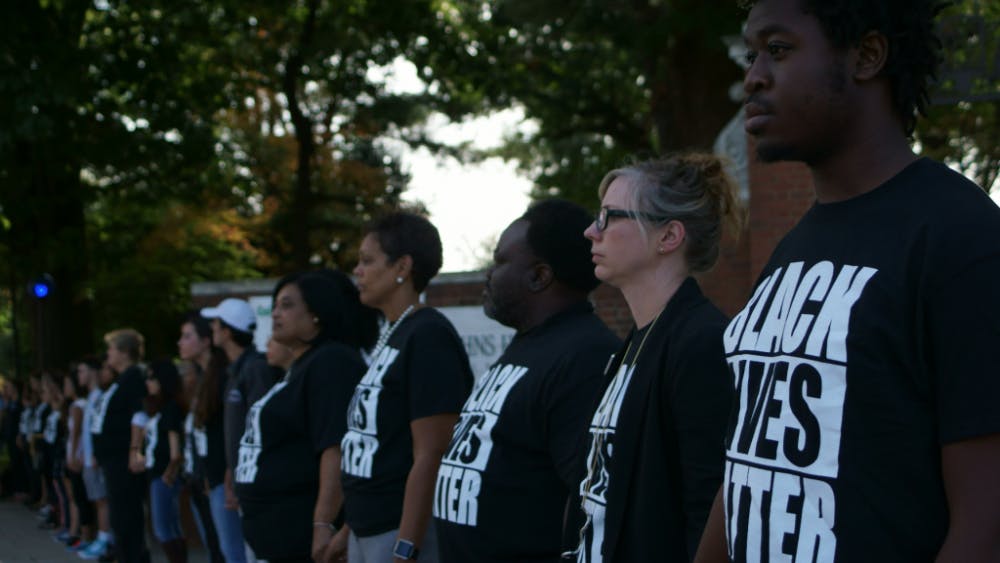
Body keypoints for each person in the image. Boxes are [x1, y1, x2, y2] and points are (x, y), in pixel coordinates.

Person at [695, 1, 1000, 561]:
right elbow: (750, 463)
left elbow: (987, 520)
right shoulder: (793, 248)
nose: (753, 77)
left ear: (867, 56)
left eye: (778, 50)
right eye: (751, 54)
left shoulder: (962, 237)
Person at [567, 154, 741, 563]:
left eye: (610, 216)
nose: (592, 231)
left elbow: (711, 508)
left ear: (668, 237)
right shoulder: (636, 343)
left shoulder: (701, 343)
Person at [433, 200, 621, 562]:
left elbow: (589, 499)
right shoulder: (530, 344)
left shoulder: (586, 356)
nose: (489, 273)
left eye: (501, 261)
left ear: (539, 276)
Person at [342, 212, 474, 563]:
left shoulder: (428, 335)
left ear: (402, 266)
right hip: (365, 528)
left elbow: (432, 452)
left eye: (367, 261)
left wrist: (406, 544)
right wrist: (346, 528)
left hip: (397, 531)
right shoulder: (394, 333)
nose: (358, 271)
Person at [235, 270, 377, 562]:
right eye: (274, 306)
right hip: (276, 541)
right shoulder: (302, 365)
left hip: (305, 543)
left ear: (316, 314)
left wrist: (322, 525)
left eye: (287, 305)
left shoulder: (332, 361)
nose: (275, 314)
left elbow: (335, 447)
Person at [200, 296, 272, 562]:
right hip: (241, 478)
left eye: (216, 324)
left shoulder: (255, 369)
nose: (213, 329)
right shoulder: (236, 370)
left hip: (256, 484)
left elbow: (260, 427)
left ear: (228, 331)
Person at [178, 313, 242, 563]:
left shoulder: (224, 376)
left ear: (206, 341)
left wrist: (224, 471)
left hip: (220, 479)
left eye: (187, 336)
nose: (180, 342)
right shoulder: (202, 378)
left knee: (231, 551)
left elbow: (229, 429)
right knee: (217, 548)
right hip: (204, 478)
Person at [91, 328, 150, 563]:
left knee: (127, 519)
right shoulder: (121, 379)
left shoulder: (134, 377)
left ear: (125, 352)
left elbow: (139, 415)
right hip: (112, 461)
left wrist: (134, 451)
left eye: (111, 349)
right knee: (120, 519)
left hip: (122, 461)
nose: (108, 355)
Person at [134, 360, 187, 563]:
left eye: (152, 377)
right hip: (159, 473)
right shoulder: (161, 408)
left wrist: (169, 473)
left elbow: (175, 451)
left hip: (163, 475)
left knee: (163, 528)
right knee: (170, 526)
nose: (148, 382)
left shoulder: (171, 408)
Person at [177, 359, 225, 563]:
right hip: (195, 477)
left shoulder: (209, 401)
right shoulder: (191, 404)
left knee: (217, 537)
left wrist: (206, 473)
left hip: (208, 478)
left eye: (187, 374)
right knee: (209, 535)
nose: (183, 380)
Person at [77, 358, 115, 561]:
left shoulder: (99, 396)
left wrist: (93, 455)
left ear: (93, 372)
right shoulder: (92, 397)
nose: (79, 376)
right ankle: (103, 537)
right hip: (89, 458)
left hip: (95, 460)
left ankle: (105, 539)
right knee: (97, 499)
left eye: (82, 371)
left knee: (102, 500)